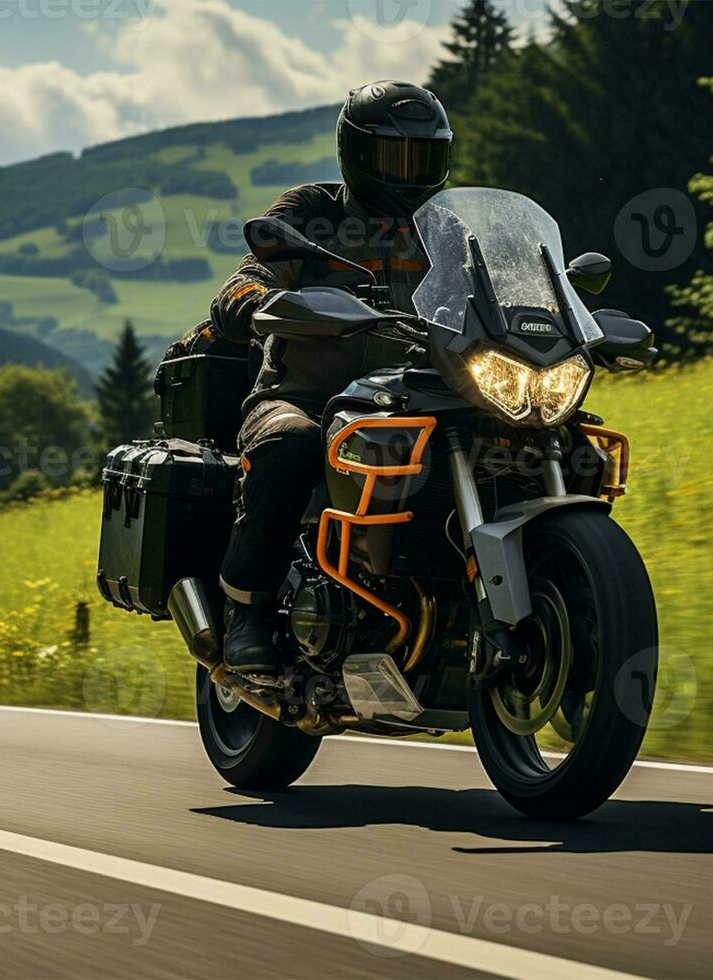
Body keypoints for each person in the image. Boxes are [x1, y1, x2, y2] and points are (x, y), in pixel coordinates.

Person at [209, 80, 454, 673]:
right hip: (305, 397)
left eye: (424, 156)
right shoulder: (314, 212)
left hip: (421, 399)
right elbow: (245, 277)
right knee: (290, 448)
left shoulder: (447, 227)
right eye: (395, 156)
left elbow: (500, 285)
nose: (409, 173)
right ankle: (250, 613)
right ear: (358, 154)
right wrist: (255, 302)